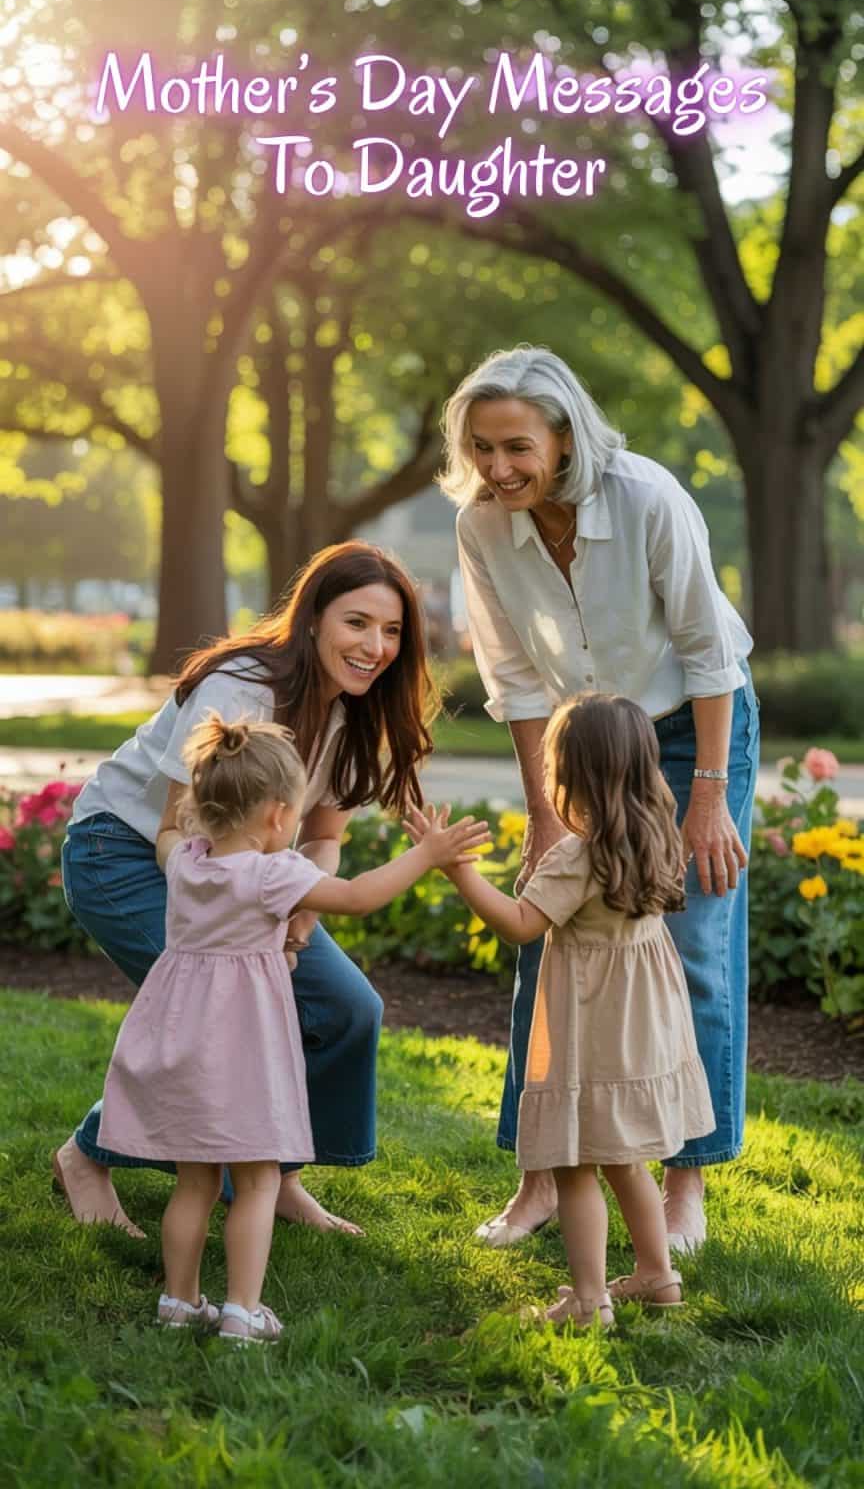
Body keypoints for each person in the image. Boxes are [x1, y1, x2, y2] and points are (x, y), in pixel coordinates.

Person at [439, 345, 759, 1253]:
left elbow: (708, 653)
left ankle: (685, 1181)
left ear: (564, 438)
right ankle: (539, 1179)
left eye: (516, 448)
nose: (498, 468)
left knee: (690, 942)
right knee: (548, 932)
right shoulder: (481, 526)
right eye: (481, 448)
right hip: (580, 742)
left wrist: (706, 797)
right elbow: (511, 675)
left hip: (690, 726)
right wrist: (545, 814)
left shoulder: (648, 497)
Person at [57, 541, 441, 1240]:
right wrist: (251, 933)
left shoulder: (359, 711)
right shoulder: (242, 686)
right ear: (315, 618)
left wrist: (295, 919)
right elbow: (183, 826)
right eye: (357, 623)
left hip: (238, 873)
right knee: (215, 1016)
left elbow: (323, 837)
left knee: (346, 1008)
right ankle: (86, 1156)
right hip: (129, 853)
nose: (375, 646)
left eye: (391, 632)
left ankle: (275, 1176)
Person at [101, 712, 487, 1343]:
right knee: (255, 1179)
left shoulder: (187, 863)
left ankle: (179, 1302)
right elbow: (360, 894)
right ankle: (243, 1311)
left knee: (196, 1181)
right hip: (242, 1046)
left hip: (180, 1036)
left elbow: (167, 836)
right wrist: (428, 853)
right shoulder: (273, 875)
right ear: (280, 816)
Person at [406, 693, 715, 1328]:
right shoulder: (654, 834)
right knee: (625, 1155)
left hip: (592, 1024)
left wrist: (457, 871)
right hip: (642, 1025)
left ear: (570, 774)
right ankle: (657, 1275)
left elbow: (522, 925)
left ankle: (587, 1298)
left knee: (575, 1163)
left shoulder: (579, 855)